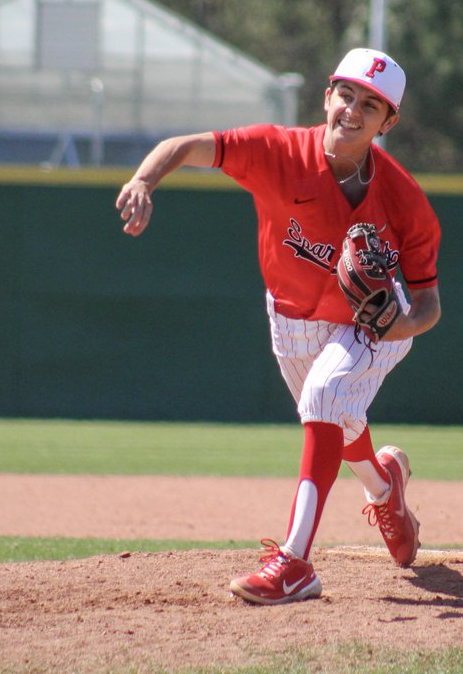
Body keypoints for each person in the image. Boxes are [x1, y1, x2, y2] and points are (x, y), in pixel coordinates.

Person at [115, 48, 442, 605]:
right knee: (334, 419)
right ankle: (386, 489)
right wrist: (145, 179)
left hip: (372, 323)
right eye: (346, 95)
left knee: (325, 396)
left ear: (388, 123)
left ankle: (294, 563)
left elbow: (429, 305)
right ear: (327, 96)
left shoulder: (404, 199)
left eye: (371, 105)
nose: (353, 111)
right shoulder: (277, 150)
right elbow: (186, 146)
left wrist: (398, 326)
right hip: (291, 318)